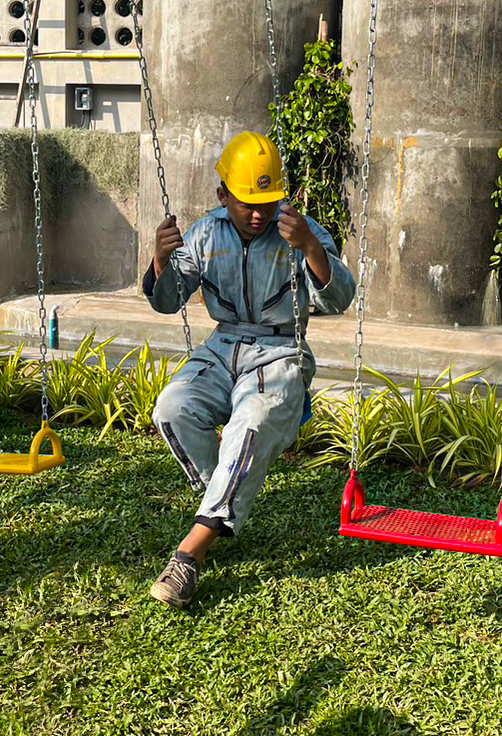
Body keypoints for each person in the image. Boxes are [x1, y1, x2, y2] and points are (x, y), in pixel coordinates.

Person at [144, 130, 356, 609]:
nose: (259, 214)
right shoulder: (205, 234)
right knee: (171, 409)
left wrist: (310, 248)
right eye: (247, 204)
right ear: (223, 196)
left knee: (252, 422)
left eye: (267, 202)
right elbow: (168, 300)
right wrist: (160, 260)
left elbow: (340, 299)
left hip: (281, 351)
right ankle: (222, 502)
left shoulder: (300, 231)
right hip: (222, 346)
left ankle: (190, 554)